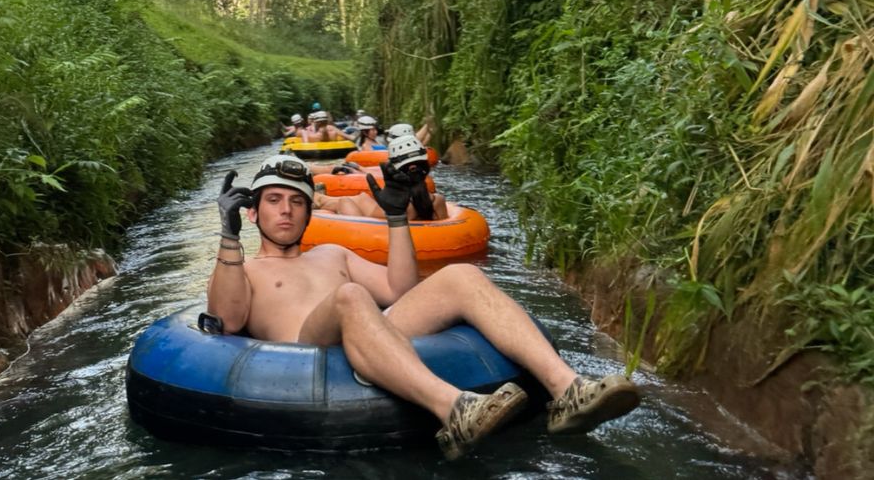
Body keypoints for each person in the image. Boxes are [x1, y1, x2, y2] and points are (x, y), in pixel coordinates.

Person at [207, 154, 641, 460]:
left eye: (296, 201)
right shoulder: (243, 269)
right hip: (304, 350)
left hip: (364, 328)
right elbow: (226, 320)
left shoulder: (332, 254)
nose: (286, 210)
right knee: (351, 296)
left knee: (459, 275)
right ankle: (453, 410)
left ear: (308, 212)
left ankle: (568, 389)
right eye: (274, 200)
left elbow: (400, 289)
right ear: (253, 213)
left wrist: (397, 218)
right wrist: (227, 236)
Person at [313, 135, 447, 220]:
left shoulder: (402, 204)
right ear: (426, 167)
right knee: (358, 198)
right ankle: (317, 198)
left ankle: (316, 199)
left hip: (365, 211)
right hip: (370, 206)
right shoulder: (438, 200)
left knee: (343, 201)